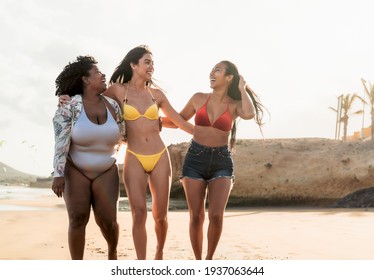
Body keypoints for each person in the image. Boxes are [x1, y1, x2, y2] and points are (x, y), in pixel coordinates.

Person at [163, 60, 266, 260]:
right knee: (195, 216)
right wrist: (154, 121)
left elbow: (249, 114)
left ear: (228, 78)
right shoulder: (198, 98)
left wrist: (242, 87)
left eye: (217, 70)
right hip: (195, 159)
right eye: (211, 70)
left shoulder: (235, 105)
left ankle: (209, 259)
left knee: (216, 216)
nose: (212, 73)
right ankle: (199, 261)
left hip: (222, 161)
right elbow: (178, 120)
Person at [52, 55, 125, 260]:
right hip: (75, 168)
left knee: (108, 221)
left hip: (106, 169)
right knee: (77, 218)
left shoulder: (114, 105)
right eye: (97, 72)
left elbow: (127, 131)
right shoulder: (69, 106)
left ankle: (112, 255)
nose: (103, 75)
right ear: (85, 79)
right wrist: (58, 174)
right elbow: (61, 140)